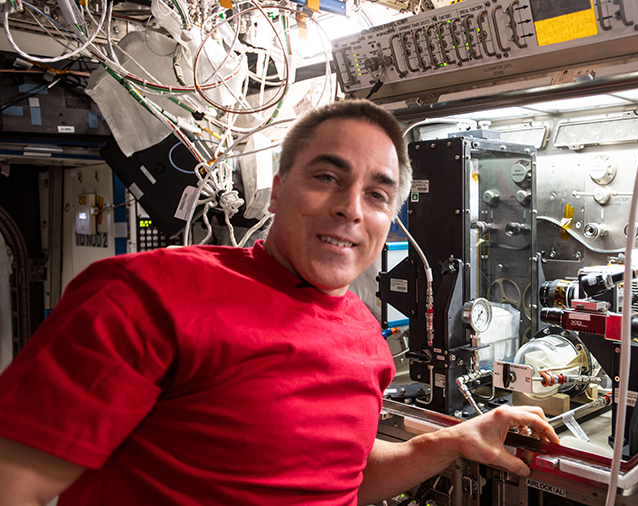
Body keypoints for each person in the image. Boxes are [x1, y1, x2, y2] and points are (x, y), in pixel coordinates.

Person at [0, 99, 558, 506]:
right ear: (277, 187)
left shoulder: (366, 340)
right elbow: (17, 481)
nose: (350, 209)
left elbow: (345, 478)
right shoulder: (148, 295)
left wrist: (453, 441)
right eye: (326, 177)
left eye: (377, 194)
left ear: (390, 217)